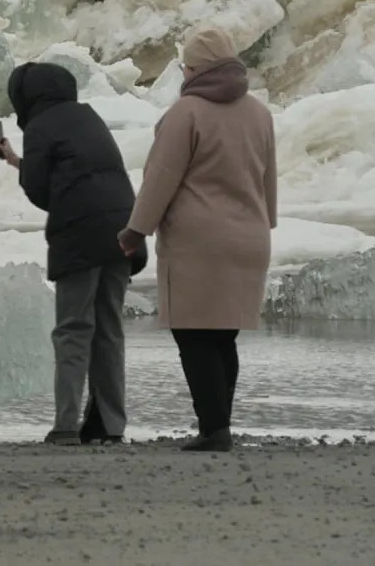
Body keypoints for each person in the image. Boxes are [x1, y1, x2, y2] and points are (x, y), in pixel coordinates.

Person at [118, 25, 276, 453]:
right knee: (222, 335)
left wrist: (136, 230)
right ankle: (218, 424)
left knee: (192, 333)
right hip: (251, 236)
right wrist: (267, 221)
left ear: (198, 68)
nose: (184, 73)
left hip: (199, 242)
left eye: (186, 65)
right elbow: (268, 178)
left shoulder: (186, 113)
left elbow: (160, 179)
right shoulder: (260, 113)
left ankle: (214, 429)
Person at [0, 62, 147, 447]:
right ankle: (110, 425)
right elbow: (77, 171)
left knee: (73, 330)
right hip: (122, 230)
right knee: (109, 329)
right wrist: (17, 160)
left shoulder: (39, 126)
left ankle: (66, 425)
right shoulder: (87, 116)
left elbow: (41, 191)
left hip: (80, 234)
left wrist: (23, 167)